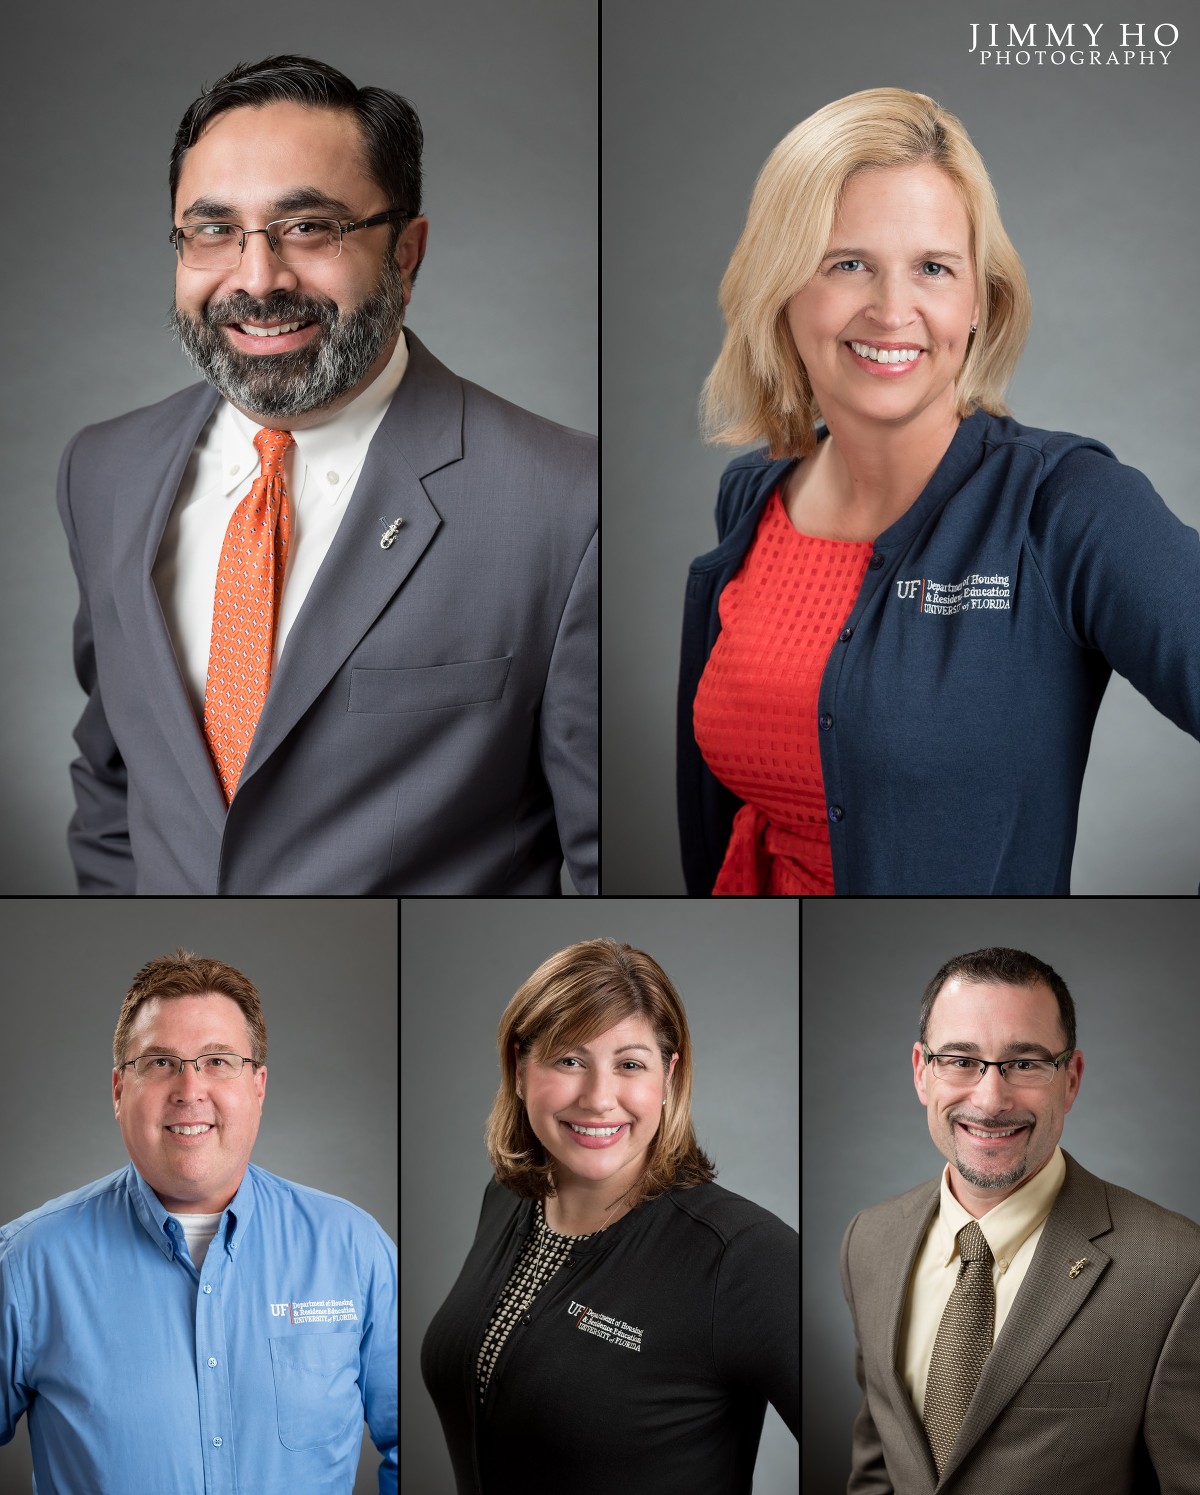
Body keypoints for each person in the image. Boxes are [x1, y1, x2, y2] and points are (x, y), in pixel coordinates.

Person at [58, 54, 597, 895]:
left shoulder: (568, 504)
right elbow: (112, 782)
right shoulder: (103, 472)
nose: (257, 277)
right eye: (213, 230)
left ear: (406, 253)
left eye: (309, 227)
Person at [678, 86, 1200, 896]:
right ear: (781, 292)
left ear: (980, 300)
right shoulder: (750, 498)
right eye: (848, 264)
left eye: (933, 268)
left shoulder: (1068, 506)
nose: (893, 310)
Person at [0, 949, 398, 1493]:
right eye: (160, 1062)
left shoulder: (354, 1250)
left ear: (258, 1086)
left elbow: (410, 1442)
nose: (190, 1091)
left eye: (218, 1061)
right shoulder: (25, 1265)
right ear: (119, 1090)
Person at [419, 938, 798, 1495]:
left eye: (630, 1065)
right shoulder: (503, 1199)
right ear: (520, 1068)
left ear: (668, 1077)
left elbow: (867, 1457)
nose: (599, 1098)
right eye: (570, 1060)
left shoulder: (744, 1256)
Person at [840, 946, 1200, 1493]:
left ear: (1071, 1078)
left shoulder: (1177, 1270)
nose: (990, 1100)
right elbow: (876, 1470)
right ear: (921, 1072)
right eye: (960, 1060)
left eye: (1025, 1063)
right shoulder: (868, 1241)